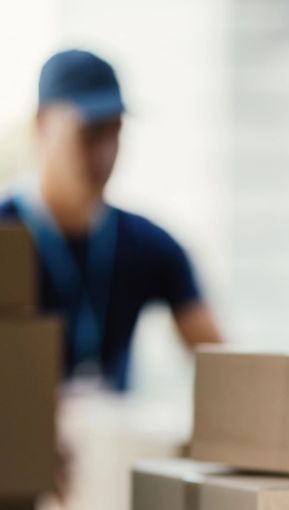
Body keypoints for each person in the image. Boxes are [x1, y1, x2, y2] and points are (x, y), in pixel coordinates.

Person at [0, 49, 221, 389]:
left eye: (114, 132)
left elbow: (221, 363)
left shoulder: (148, 245)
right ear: (42, 124)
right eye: (88, 133)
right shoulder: (7, 236)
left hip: (108, 436)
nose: (104, 154)